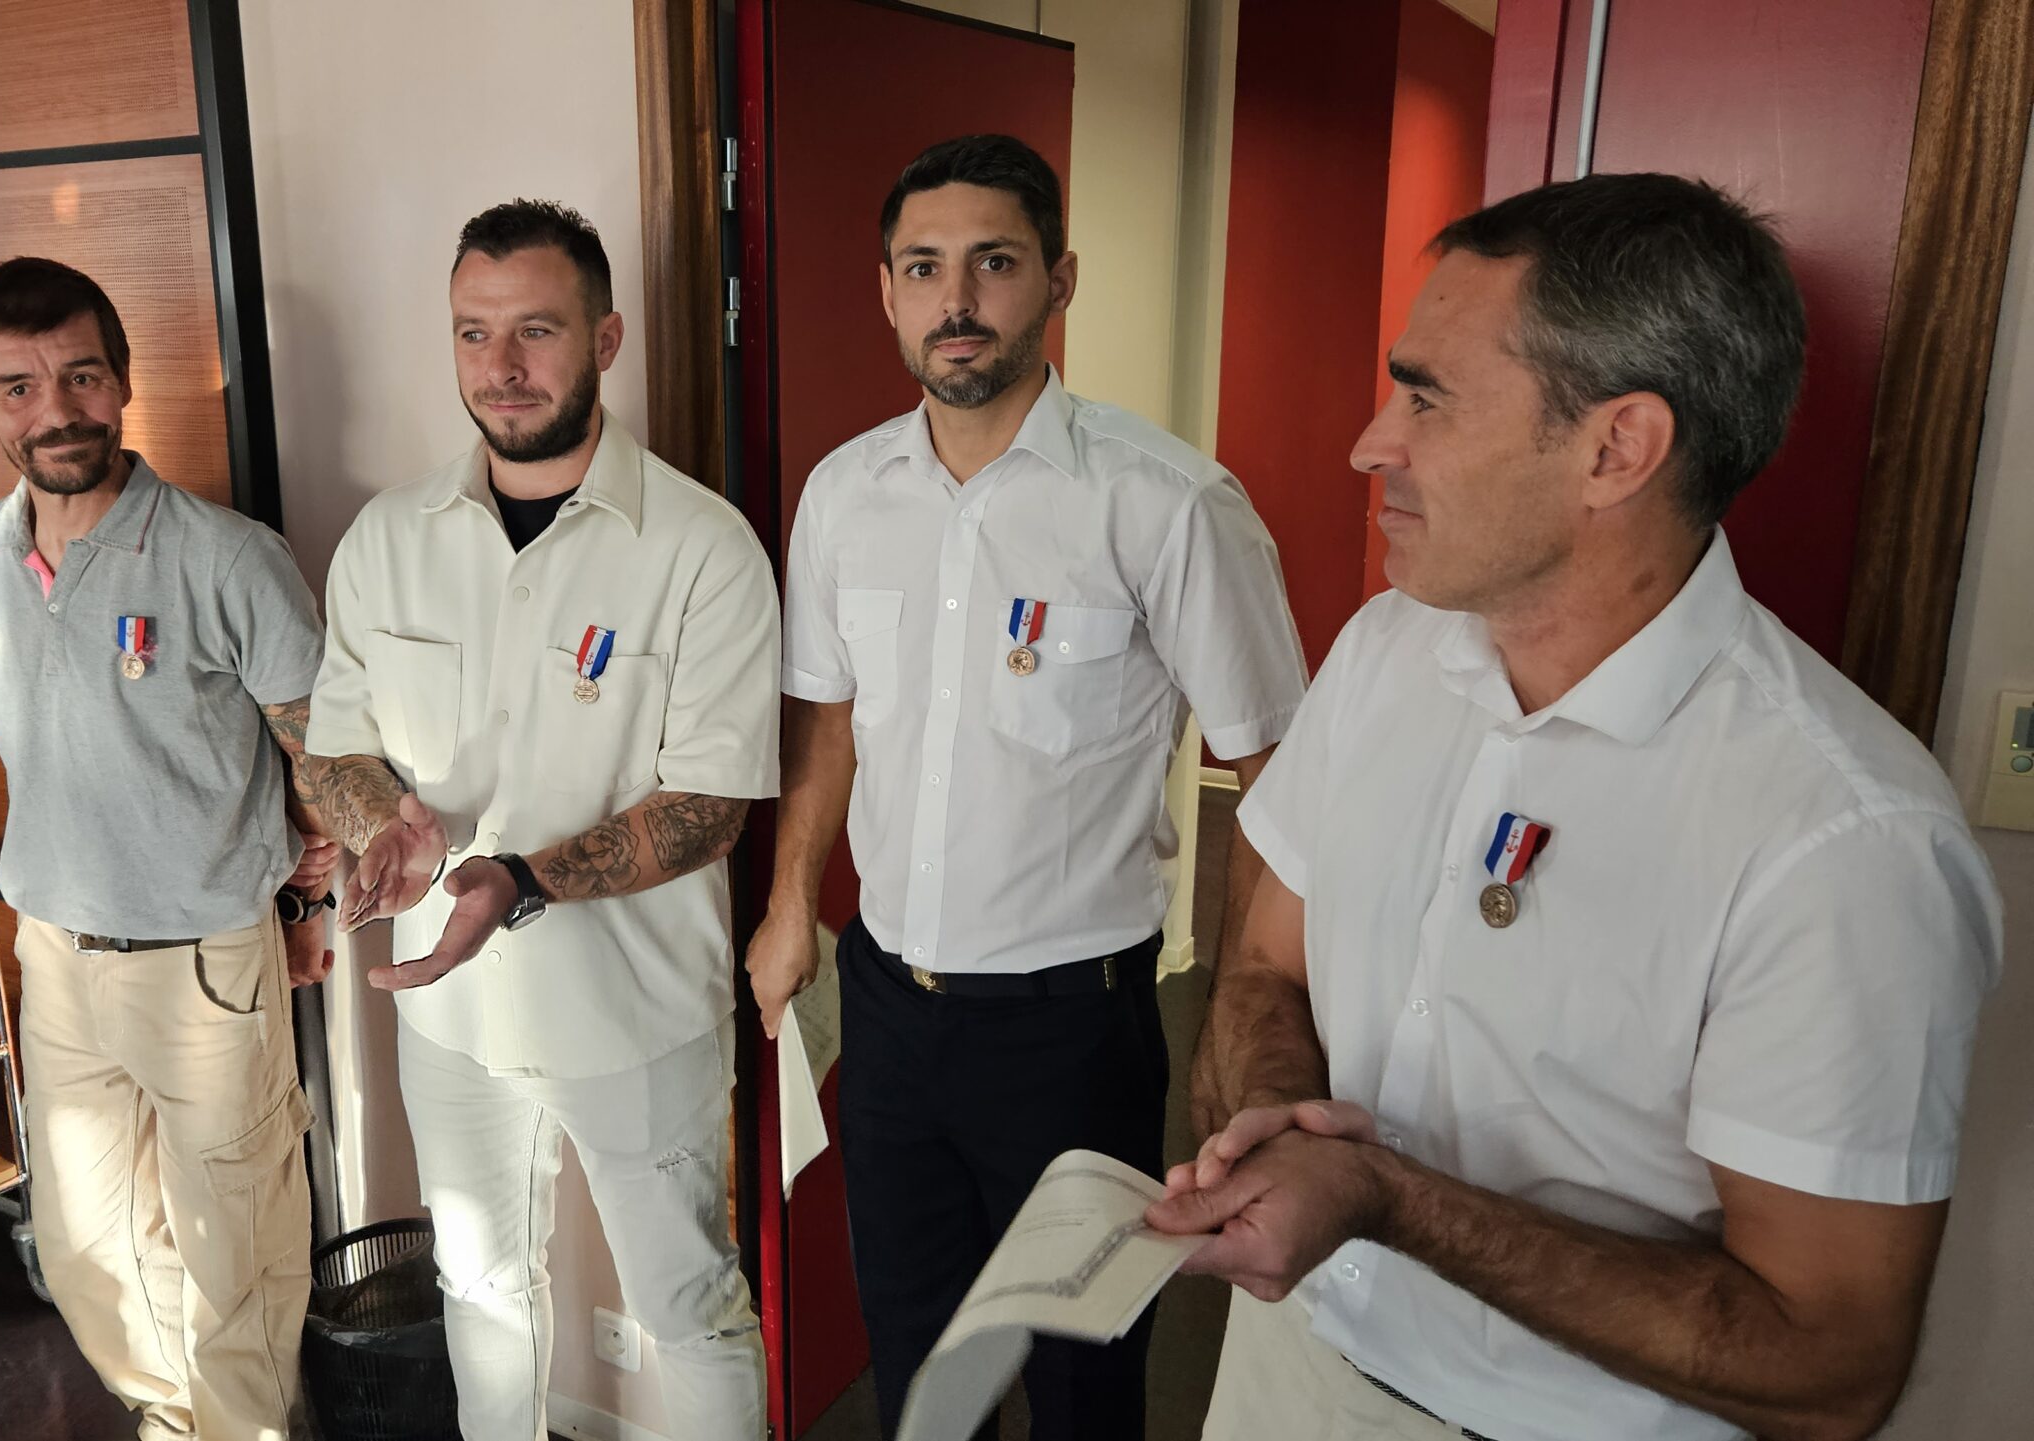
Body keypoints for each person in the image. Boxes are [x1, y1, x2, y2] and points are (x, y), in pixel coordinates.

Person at [1154, 173, 2002, 1441]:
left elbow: (1826, 1363)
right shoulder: (1390, 646)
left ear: (1616, 449)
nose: (1370, 443)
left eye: (1426, 398)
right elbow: (1269, 959)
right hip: (1290, 1364)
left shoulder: (1845, 840)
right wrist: (1281, 1127)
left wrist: (1385, 1196)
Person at [748, 134, 1308, 1440]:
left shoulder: (1166, 505)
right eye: (924, 268)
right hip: (888, 1010)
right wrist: (789, 903)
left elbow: (1278, 777)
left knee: (1083, 1375)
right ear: (886, 292)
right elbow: (828, 718)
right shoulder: (843, 496)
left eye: (992, 264)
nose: (957, 300)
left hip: (1070, 1030)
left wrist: (1245, 1011)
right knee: (917, 1358)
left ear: (1057, 281)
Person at [304, 200, 777, 1441]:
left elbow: (708, 805)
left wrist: (514, 876)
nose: (501, 368)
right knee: (481, 1287)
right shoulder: (386, 541)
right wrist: (379, 826)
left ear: (605, 338)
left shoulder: (699, 547)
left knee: (692, 1307)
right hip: (450, 1022)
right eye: (473, 334)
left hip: (638, 1013)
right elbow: (338, 745)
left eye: (536, 332)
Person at [0, 257, 336, 1441]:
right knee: (86, 1248)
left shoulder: (227, 556)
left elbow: (317, 755)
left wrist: (307, 907)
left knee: (238, 1256)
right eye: (17, 387)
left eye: (79, 376)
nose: (54, 410)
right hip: (55, 952)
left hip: (203, 962)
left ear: (122, 383)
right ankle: (177, 1422)